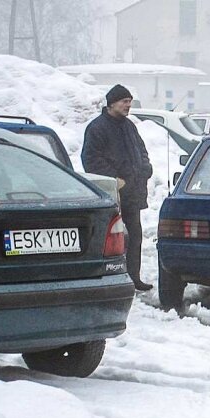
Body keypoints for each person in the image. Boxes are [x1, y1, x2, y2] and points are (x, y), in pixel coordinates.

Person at [82, 84, 154, 291]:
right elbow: (90, 159)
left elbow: (141, 150)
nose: (128, 105)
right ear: (112, 103)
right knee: (112, 239)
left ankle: (134, 278)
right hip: (111, 194)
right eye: (124, 101)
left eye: (130, 102)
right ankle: (111, 277)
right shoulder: (97, 128)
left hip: (133, 193)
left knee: (135, 236)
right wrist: (113, 179)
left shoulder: (129, 126)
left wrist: (145, 167)